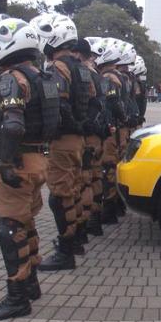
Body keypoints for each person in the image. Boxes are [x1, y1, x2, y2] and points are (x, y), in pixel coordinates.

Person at [0, 14, 60, 321]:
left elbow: (12, 126)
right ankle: (31, 282)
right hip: (40, 158)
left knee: (9, 228)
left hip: (21, 159)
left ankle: (17, 297)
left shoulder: (12, 79)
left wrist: (5, 162)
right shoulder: (42, 77)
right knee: (26, 223)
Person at [30, 13, 90, 269]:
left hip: (63, 139)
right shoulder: (82, 69)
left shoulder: (57, 68)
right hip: (79, 139)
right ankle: (74, 241)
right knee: (73, 192)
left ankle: (65, 252)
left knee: (60, 196)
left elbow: (58, 105)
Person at [73, 37, 109, 240]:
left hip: (86, 134)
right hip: (98, 132)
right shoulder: (98, 76)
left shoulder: (84, 74)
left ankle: (83, 227)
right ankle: (93, 220)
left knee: (83, 181)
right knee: (95, 177)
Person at [95, 39, 129, 224]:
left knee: (108, 168)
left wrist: (119, 120)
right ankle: (116, 206)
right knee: (114, 167)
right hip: (119, 130)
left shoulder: (109, 78)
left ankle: (109, 211)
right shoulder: (121, 76)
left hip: (112, 132)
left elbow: (113, 102)